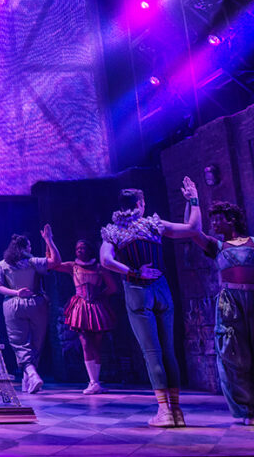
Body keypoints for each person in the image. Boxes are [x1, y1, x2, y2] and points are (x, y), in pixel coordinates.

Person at [100, 180, 200, 427]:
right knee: (168, 351)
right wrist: (193, 199)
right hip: (162, 289)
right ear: (140, 204)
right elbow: (192, 228)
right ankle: (176, 412)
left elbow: (105, 260)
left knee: (152, 352)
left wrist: (133, 272)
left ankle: (164, 412)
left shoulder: (114, 231)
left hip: (137, 291)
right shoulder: (154, 224)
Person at [187, 198, 254, 425]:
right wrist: (192, 201)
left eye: (218, 219)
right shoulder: (216, 246)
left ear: (231, 219)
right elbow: (193, 232)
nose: (214, 224)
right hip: (230, 302)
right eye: (211, 220)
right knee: (235, 355)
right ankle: (248, 410)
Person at [0, 226, 61, 394]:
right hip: (36, 303)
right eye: (29, 246)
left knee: (20, 343)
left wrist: (16, 292)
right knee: (36, 342)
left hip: (13, 304)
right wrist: (49, 240)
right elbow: (56, 261)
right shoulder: (33, 262)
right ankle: (32, 374)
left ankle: (29, 375)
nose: (31, 249)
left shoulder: (3, 265)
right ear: (23, 248)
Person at [50, 239, 117, 394]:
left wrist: (99, 295)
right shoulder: (73, 266)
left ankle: (97, 382)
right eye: (77, 248)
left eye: (83, 248)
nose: (79, 250)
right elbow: (53, 263)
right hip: (80, 307)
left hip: (96, 307)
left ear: (89, 250)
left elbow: (113, 287)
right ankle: (92, 381)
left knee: (97, 345)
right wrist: (49, 241)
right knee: (85, 343)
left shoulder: (100, 268)